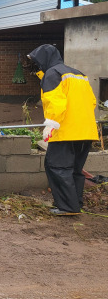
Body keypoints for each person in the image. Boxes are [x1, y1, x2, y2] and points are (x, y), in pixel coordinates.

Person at [28, 44, 98, 216]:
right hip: (86, 131)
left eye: (37, 62)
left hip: (66, 132)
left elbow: (56, 102)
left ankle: (67, 207)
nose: (37, 66)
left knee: (56, 167)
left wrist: (51, 124)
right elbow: (92, 101)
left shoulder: (53, 74)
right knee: (75, 169)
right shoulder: (79, 74)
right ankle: (75, 204)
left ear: (44, 59)